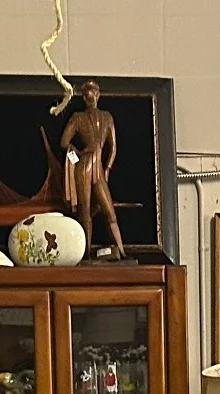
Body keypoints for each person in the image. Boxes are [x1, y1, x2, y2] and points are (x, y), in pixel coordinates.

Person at [60, 81, 125, 260]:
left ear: (96, 95)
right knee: (86, 211)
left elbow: (113, 148)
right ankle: (86, 254)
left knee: (107, 211)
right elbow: (64, 143)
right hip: (86, 166)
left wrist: (107, 168)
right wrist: (76, 154)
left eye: (92, 93)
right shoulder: (79, 117)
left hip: (94, 166)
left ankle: (122, 251)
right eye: (89, 94)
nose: (91, 97)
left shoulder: (104, 117)